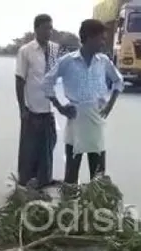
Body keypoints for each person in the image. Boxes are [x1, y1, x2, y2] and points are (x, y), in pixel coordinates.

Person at [42, 19, 123, 184]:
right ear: (88, 37)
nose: (103, 43)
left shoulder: (104, 62)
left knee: (98, 175)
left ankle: (97, 207)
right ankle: (69, 204)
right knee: (72, 173)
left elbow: (118, 81)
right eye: (100, 38)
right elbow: (47, 82)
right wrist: (60, 107)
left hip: (96, 119)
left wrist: (110, 105)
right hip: (75, 118)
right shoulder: (68, 61)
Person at [16, 14, 59, 188]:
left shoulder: (55, 49)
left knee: (47, 147)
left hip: (49, 108)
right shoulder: (26, 51)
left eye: (51, 28)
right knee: (29, 149)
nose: (49, 31)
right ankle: (25, 182)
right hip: (32, 108)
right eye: (45, 28)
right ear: (36, 29)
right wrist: (22, 108)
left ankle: (43, 180)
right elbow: (20, 80)